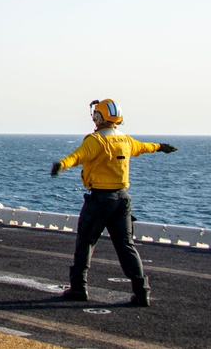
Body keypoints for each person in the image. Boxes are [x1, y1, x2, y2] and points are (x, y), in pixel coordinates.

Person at [51, 98, 178, 306]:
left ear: (99, 117)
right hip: (122, 200)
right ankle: (141, 291)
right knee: (126, 245)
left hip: (100, 199)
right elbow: (144, 147)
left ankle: (78, 288)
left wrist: (61, 165)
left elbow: (77, 157)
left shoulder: (96, 140)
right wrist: (161, 146)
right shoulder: (125, 140)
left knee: (86, 241)